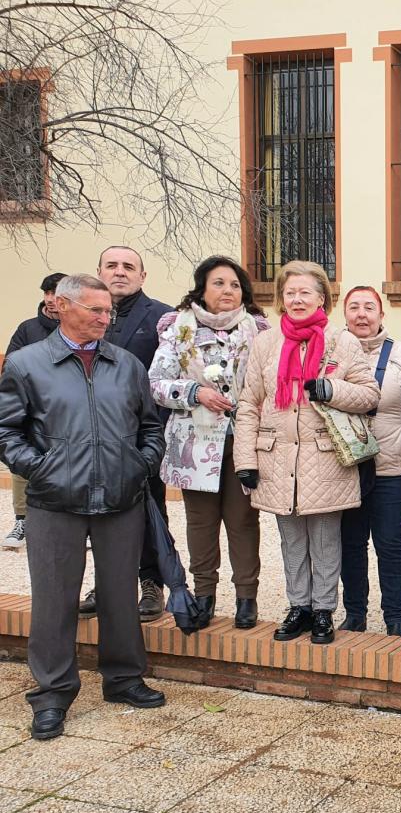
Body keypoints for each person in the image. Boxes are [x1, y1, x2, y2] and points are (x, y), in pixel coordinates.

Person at [0, 274, 167, 740]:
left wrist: (140, 464)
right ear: (62, 307)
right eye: (94, 310)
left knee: (119, 595)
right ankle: (52, 694)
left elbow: (150, 428)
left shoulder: (128, 364)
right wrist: (43, 469)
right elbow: (6, 431)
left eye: (108, 310)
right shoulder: (27, 364)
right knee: (55, 600)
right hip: (55, 501)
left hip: (120, 498)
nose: (104, 317)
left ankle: (124, 679)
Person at [234, 261, 380, 645]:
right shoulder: (266, 343)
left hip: (325, 459)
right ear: (281, 298)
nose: (297, 299)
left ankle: (323, 611)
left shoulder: (341, 341)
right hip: (277, 459)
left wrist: (331, 390)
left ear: (322, 298)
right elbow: (249, 404)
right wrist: (245, 461)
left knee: (326, 540)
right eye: (290, 292)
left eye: (305, 292)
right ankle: (298, 606)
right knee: (291, 539)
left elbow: (370, 395)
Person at [149, 257, 269, 629]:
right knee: (201, 524)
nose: (227, 292)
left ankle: (246, 597)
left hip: (243, 441)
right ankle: (204, 595)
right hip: (194, 445)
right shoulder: (177, 330)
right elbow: (155, 383)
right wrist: (194, 391)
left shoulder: (259, 331)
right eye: (218, 284)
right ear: (202, 288)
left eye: (234, 285)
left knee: (243, 522)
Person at [81, 246, 174, 622]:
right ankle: (106, 584)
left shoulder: (162, 318)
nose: (120, 272)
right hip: (89, 437)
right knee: (98, 515)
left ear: (142, 276)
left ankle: (152, 582)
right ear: (99, 271)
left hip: (142, 437)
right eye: (112, 265)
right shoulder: (79, 316)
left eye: (128, 266)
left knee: (149, 511)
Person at [338, 285, 401, 636]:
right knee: (351, 543)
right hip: (344, 467)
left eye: (369, 307)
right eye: (354, 307)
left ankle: (395, 617)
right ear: (345, 314)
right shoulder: (331, 352)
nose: (362, 314)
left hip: (392, 467)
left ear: (381, 315)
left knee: (391, 543)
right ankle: (355, 613)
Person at [3, 271, 67, 551]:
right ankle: (22, 519)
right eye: (47, 293)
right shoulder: (27, 328)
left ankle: (73, 525)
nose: (51, 300)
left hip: (65, 408)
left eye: (57, 293)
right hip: (32, 406)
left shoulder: (76, 326)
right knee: (22, 465)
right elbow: (10, 367)